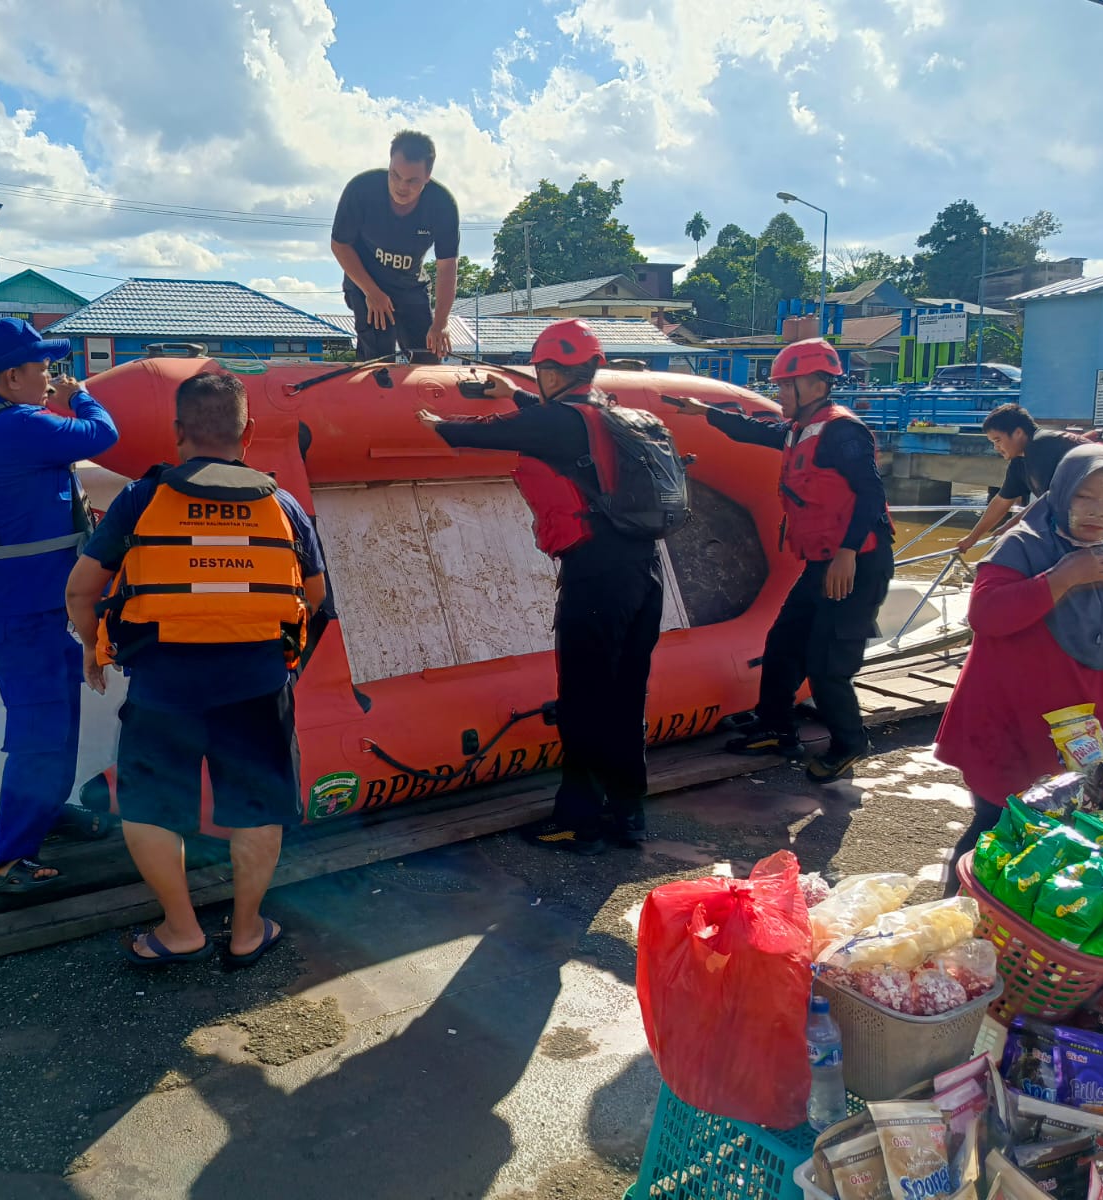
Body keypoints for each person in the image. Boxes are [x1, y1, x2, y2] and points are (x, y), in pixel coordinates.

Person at [65, 372, 327, 968]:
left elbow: (82, 590)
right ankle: (246, 931)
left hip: (163, 684)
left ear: (178, 432)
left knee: (152, 806)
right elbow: (314, 599)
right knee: (258, 807)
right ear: (249, 432)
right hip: (258, 683)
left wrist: (93, 646)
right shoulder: (283, 505)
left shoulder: (140, 499)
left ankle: (181, 931)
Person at [416, 319, 665, 854]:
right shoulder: (615, 414)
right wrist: (520, 395)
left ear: (552, 371)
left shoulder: (557, 421)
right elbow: (561, 428)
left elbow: (476, 433)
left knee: (582, 700)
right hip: (645, 573)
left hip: (596, 577)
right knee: (626, 697)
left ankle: (578, 820)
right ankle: (628, 815)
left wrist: (433, 419)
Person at [936, 444, 1103, 895]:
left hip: (1079, 735)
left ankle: (1013, 928)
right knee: (996, 822)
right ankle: (950, 915)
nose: (1098, 511)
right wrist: (1061, 578)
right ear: (1061, 493)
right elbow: (985, 615)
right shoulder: (1024, 544)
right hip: (1009, 725)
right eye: (1085, 496)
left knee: (1052, 828)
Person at [666, 338, 893, 783]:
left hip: (856, 564)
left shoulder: (843, 431)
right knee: (784, 642)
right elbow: (758, 432)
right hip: (821, 562)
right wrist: (703, 412)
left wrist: (847, 553)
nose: (780, 395)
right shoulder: (799, 428)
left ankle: (849, 743)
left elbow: (871, 494)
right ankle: (775, 726)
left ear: (815, 384)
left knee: (828, 663)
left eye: (786, 386)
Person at [0, 318, 120, 892]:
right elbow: (102, 436)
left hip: (20, 605)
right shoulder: (18, 426)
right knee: (41, 733)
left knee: (53, 725)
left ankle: (44, 812)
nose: (51, 379)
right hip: (24, 614)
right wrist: (82, 397)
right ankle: (12, 858)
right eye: (44, 370)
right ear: (14, 375)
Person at [330, 129, 459, 361]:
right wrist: (372, 292)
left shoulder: (442, 204)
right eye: (395, 175)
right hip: (366, 281)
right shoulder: (362, 190)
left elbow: (447, 267)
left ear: (428, 176)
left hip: (411, 286)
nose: (401, 186)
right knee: (379, 355)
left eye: (412, 181)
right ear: (389, 164)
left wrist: (440, 323)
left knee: (428, 356)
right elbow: (340, 245)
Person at [955, 405, 1084, 554]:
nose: (996, 447)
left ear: (1018, 433)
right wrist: (973, 538)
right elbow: (1002, 501)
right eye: (993, 442)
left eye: (998, 440)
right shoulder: (1019, 461)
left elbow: (1050, 498)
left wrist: (1009, 527)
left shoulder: (1043, 446)